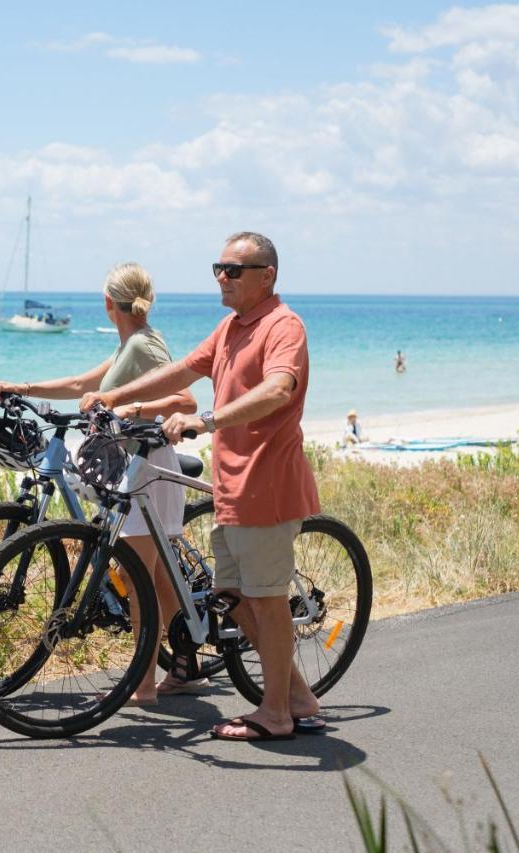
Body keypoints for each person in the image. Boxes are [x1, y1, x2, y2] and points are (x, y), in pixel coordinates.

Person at [81, 231, 322, 741]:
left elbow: (278, 389)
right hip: (233, 487)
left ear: (267, 276)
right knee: (232, 597)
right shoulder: (231, 328)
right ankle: (297, 696)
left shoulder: (284, 327)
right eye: (218, 268)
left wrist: (206, 422)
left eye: (234, 270)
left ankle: (277, 713)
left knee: (268, 600)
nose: (222, 277)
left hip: (269, 485)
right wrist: (115, 397)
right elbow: (182, 371)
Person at [0, 262, 198, 705]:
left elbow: (185, 398)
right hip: (130, 466)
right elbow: (85, 383)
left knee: (134, 573)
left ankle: (143, 685)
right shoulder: (131, 343)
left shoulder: (145, 346)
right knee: (157, 578)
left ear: (108, 303)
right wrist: (23, 386)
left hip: (146, 466)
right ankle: (185, 662)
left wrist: (130, 407)